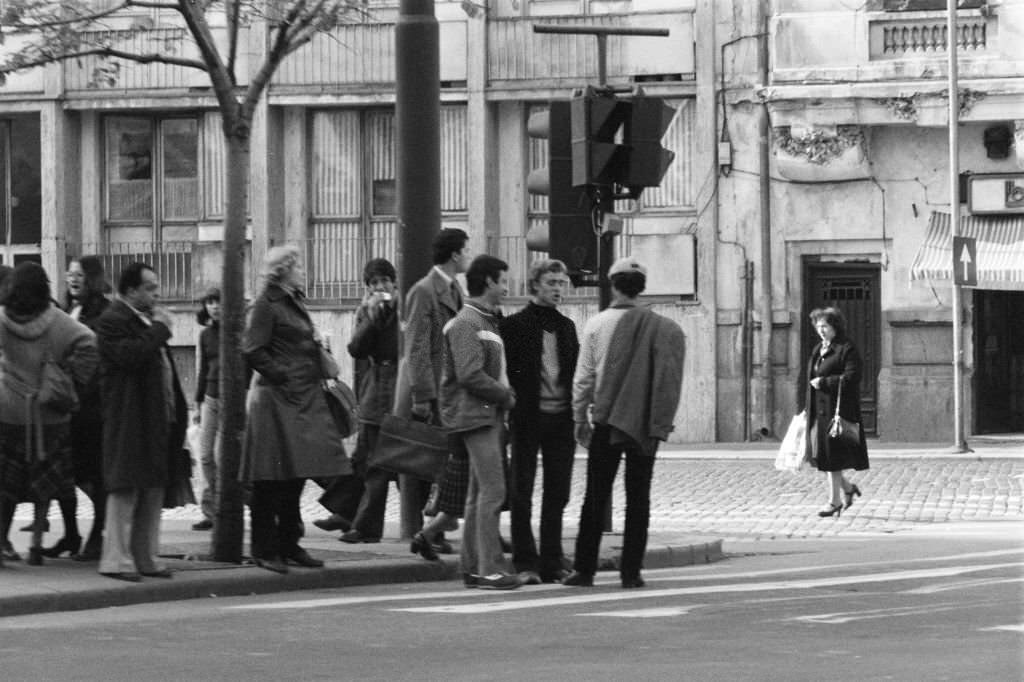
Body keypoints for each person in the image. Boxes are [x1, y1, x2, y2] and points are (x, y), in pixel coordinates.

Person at [563, 256, 685, 589]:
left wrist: (579, 417)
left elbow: (584, 378)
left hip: (606, 419)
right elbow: (669, 381)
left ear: (612, 284)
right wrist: (660, 423)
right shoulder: (665, 327)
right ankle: (631, 572)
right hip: (645, 424)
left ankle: (584, 569)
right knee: (638, 497)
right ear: (641, 288)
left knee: (595, 496)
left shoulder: (596, 325)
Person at [241, 245, 349, 574]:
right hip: (277, 398)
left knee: (296, 474)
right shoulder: (266, 304)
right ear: (283, 270)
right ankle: (264, 548)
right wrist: (283, 375)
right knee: (270, 477)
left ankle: (289, 543)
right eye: (298, 266)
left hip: (301, 396)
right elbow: (252, 349)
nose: (303, 270)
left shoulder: (293, 300)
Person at [96, 262, 189, 582]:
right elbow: (129, 356)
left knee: (152, 489)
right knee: (126, 489)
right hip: (129, 417)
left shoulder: (146, 320)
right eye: (150, 287)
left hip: (155, 417)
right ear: (131, 290)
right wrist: (160, 329)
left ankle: (146, 557)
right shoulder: (112, 320)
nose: (156, 293)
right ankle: (117, 560)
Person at [0, 262, 98, 567]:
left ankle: (1, 542)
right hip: (50, 415)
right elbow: (90, 344)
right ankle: (36, 546)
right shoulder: (59, 321)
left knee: (6, 483)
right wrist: (69, 376)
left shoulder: (2, 320)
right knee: (45, 482)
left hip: (9, 411)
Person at [440, 254, 520, 590]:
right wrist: (505, 395)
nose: (505, 288)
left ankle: (472, 567)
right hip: (478, 414)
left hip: (481, 413)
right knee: (493, 491)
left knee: (477, 495)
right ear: (488, 281)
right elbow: (470, 373)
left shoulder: (481, 321)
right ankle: (490, 568)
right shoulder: (468, 323)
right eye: (502, 281)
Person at [499, 259, 579, 584]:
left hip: (562, 417)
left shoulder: (566, 326)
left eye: (562, 283)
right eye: (552, 283)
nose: (558, 288)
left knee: (557, 492)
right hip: (528, 417)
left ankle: (552, 560)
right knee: (522, 490)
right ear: (535, 286)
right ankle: (524, 561)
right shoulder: (516, 325)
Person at [393, 227, 469, 547]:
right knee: (427, 461)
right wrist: (423, 396)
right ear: (454, 254)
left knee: (441, 462)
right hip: (434, 390)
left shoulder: (453, 289)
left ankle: (433, 528)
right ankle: (427, 530)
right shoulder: (425, 291)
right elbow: (418, 347)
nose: (468, 255)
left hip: (448, 388)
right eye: (466, 250)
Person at [38, 257, 112, 562]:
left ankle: (97, 534)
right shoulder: (68, 310)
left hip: (92, 407)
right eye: (69, 274)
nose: (72, 279)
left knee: (93, 475)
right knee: (64, 475)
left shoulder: (104, 313)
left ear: (92, 278)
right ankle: (71, 533)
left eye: (79, 274)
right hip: (67, 405)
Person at [323, 258, 400, 544]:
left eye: (384, 281)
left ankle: (356, 520)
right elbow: (356, 348)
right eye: (374, 283)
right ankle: (350, 516)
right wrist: (371, 317)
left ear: (394, 282)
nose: (381, 287)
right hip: (374, 389)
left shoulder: (401, 308)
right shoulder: (366, 312)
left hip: (395, 388)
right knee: (365, 458)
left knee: (378, 462)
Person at [804, 306, 869, 518]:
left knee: (831, 459)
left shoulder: (846, 348)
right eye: (818, 326)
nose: (821, 330)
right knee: (826, 458)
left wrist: (825, 382)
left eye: (826, 326)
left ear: (835, 327)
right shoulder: (819, 349)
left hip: (838, 412)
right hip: (820, 412)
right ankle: (848, 489)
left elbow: (852, 377)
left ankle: (834, 502)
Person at [191, 287, 222, 532]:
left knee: (223, 458)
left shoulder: (238, 334)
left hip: (235, 399)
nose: (214, 306)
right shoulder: (206, 335)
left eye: (218, 302)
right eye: (210, 302)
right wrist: (198, 404)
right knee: (205, 456)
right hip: (211, 398)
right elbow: (203, 370)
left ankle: (224, 509)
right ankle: (211, 511)